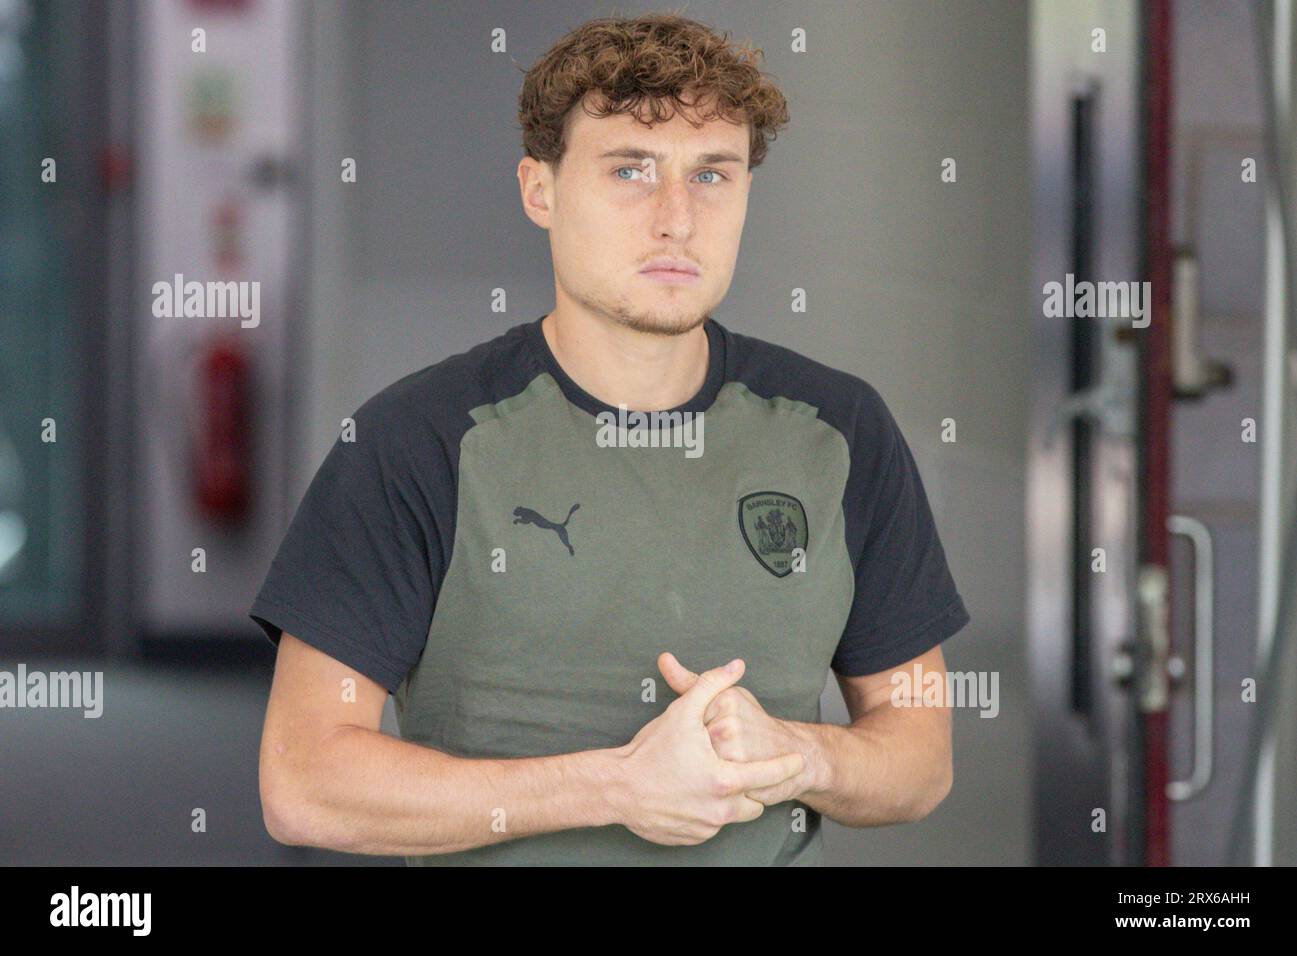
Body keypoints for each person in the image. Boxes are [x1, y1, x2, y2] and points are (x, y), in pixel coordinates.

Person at [251, 11, 970, 865]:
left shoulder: (841, 432)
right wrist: (615, 786)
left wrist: (798, 754)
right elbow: (303, 781)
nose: (676, 218)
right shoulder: (416, 441)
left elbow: (920, 759)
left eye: (712, 175)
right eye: (630, 169)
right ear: (540, 190)